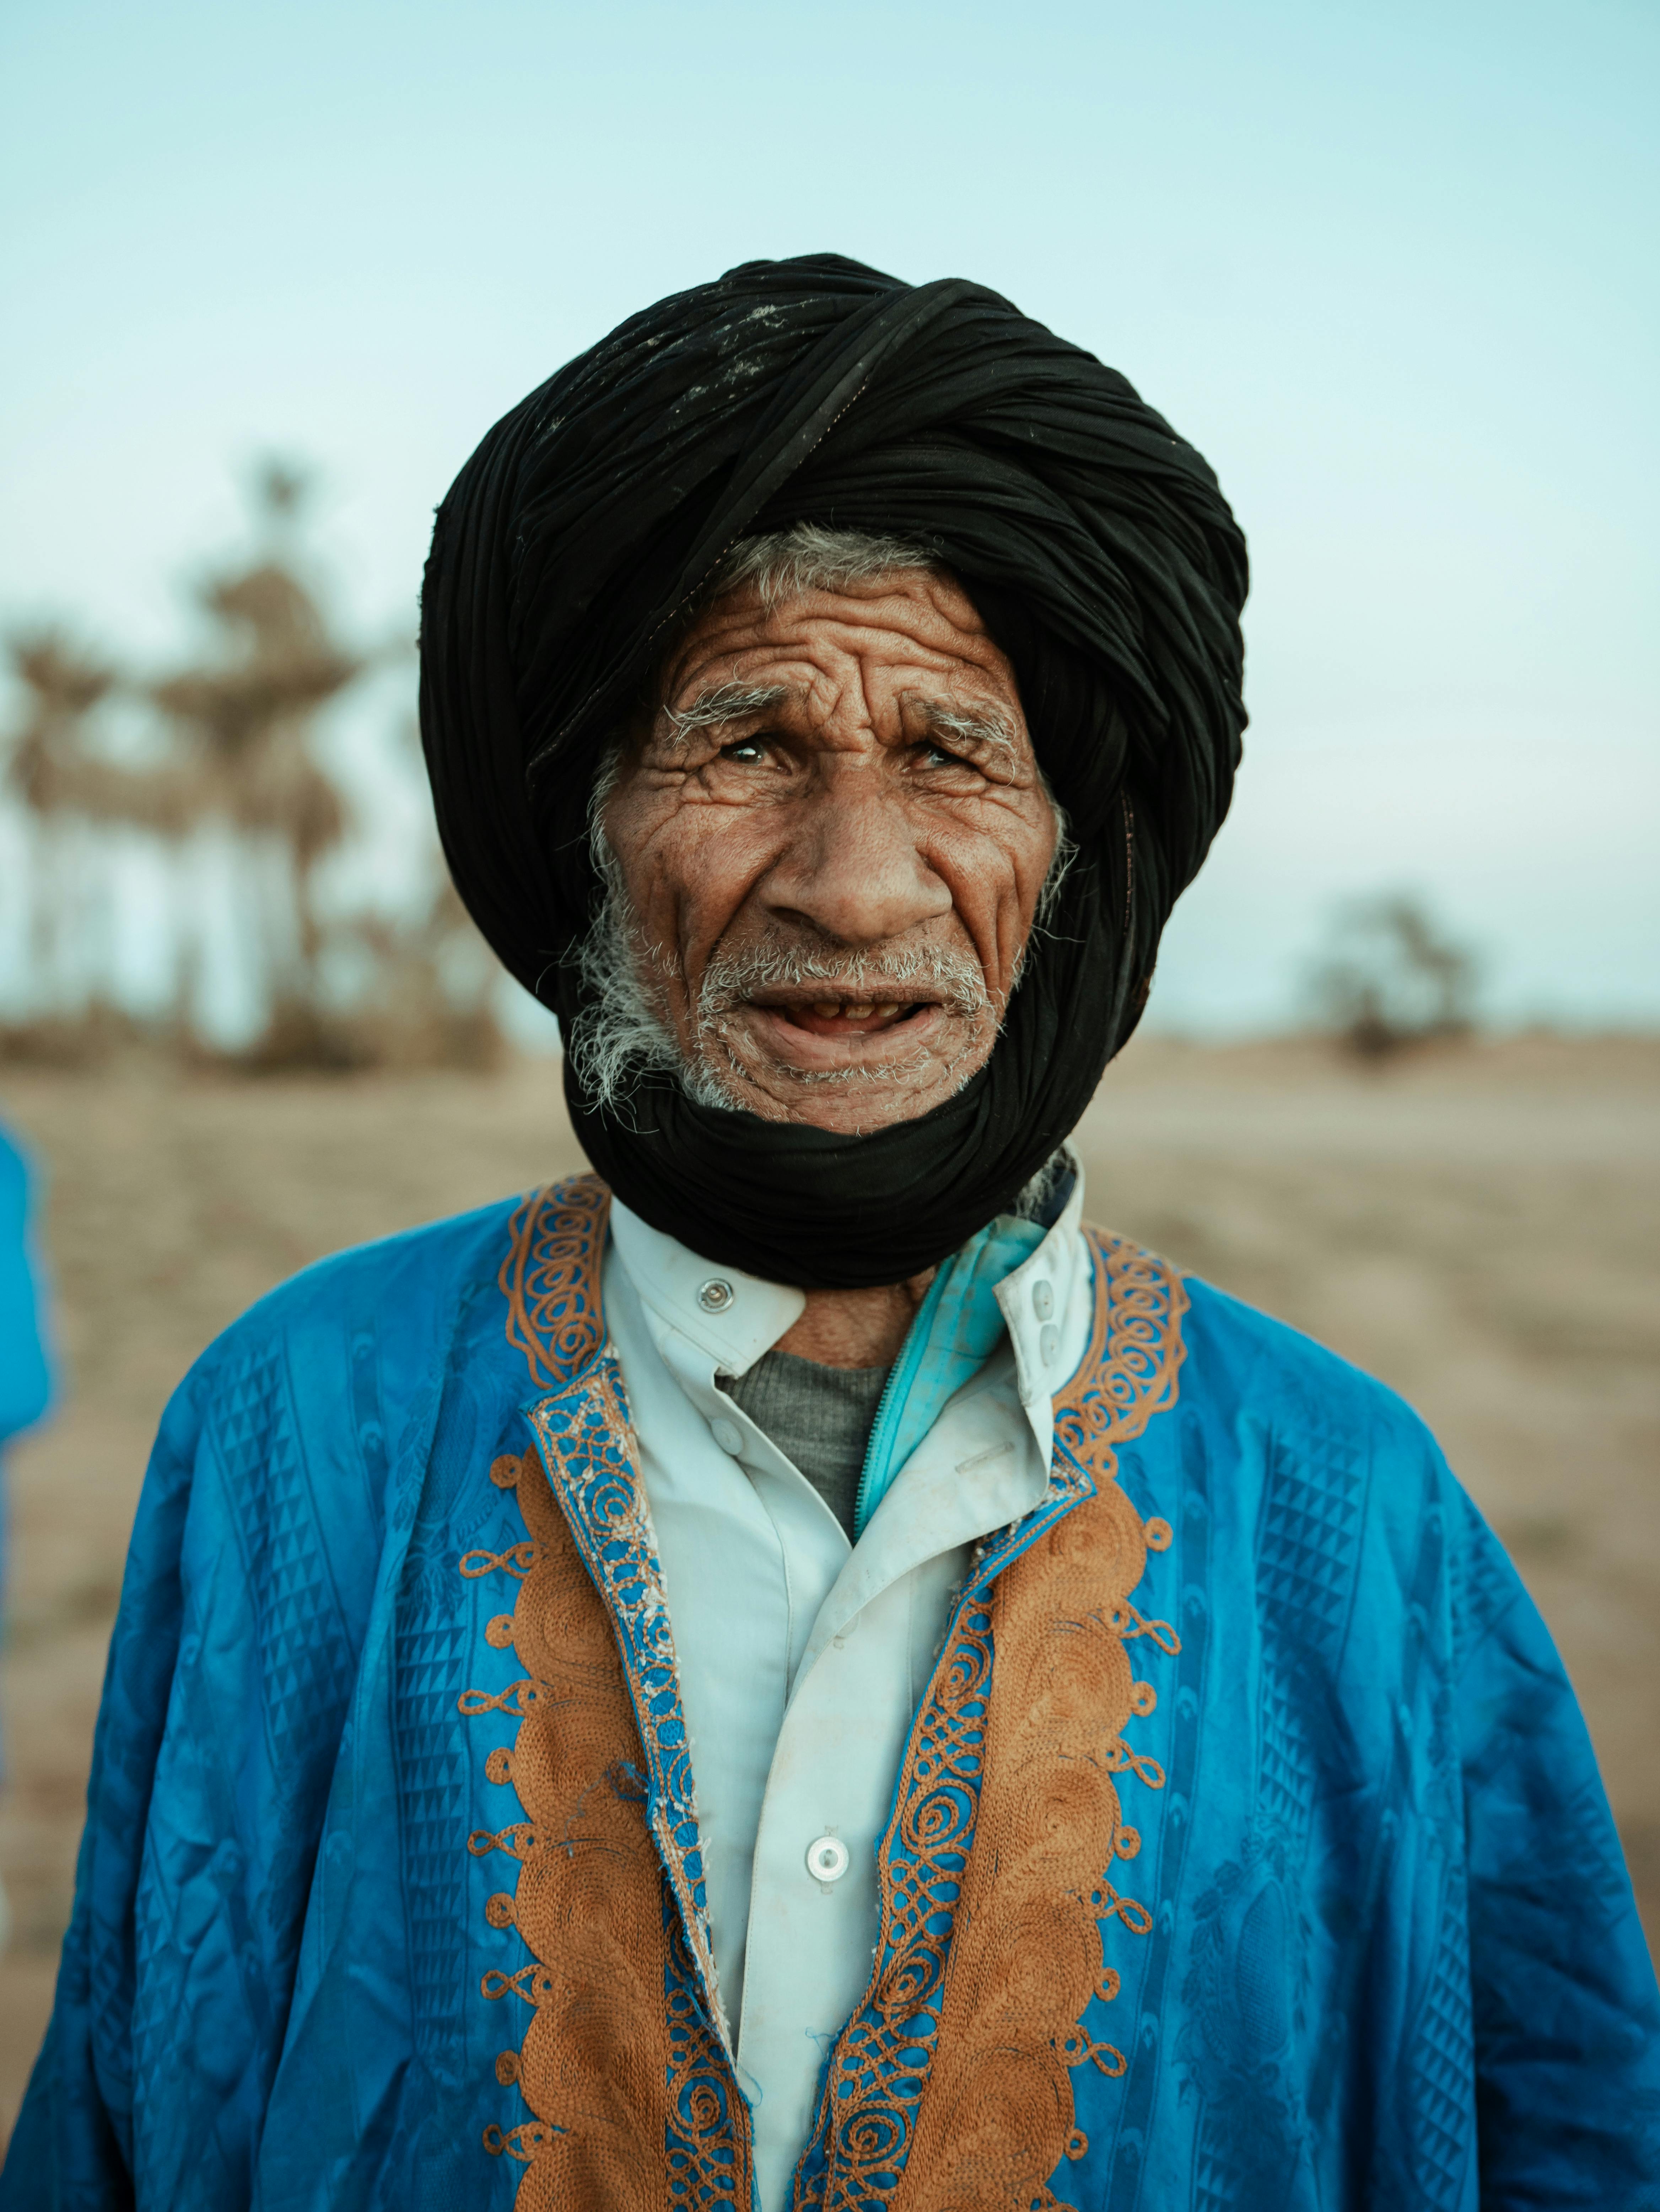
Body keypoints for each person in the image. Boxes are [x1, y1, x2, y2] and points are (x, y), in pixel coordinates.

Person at [5, 256, 1656, 2210]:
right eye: (752, 745)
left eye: (952, 756)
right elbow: (133, 2099)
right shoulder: (296, 1427)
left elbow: (1558, 2123)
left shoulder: (1352, 1503)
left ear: (1073, 853)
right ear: (588, 822)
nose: (858, 886)